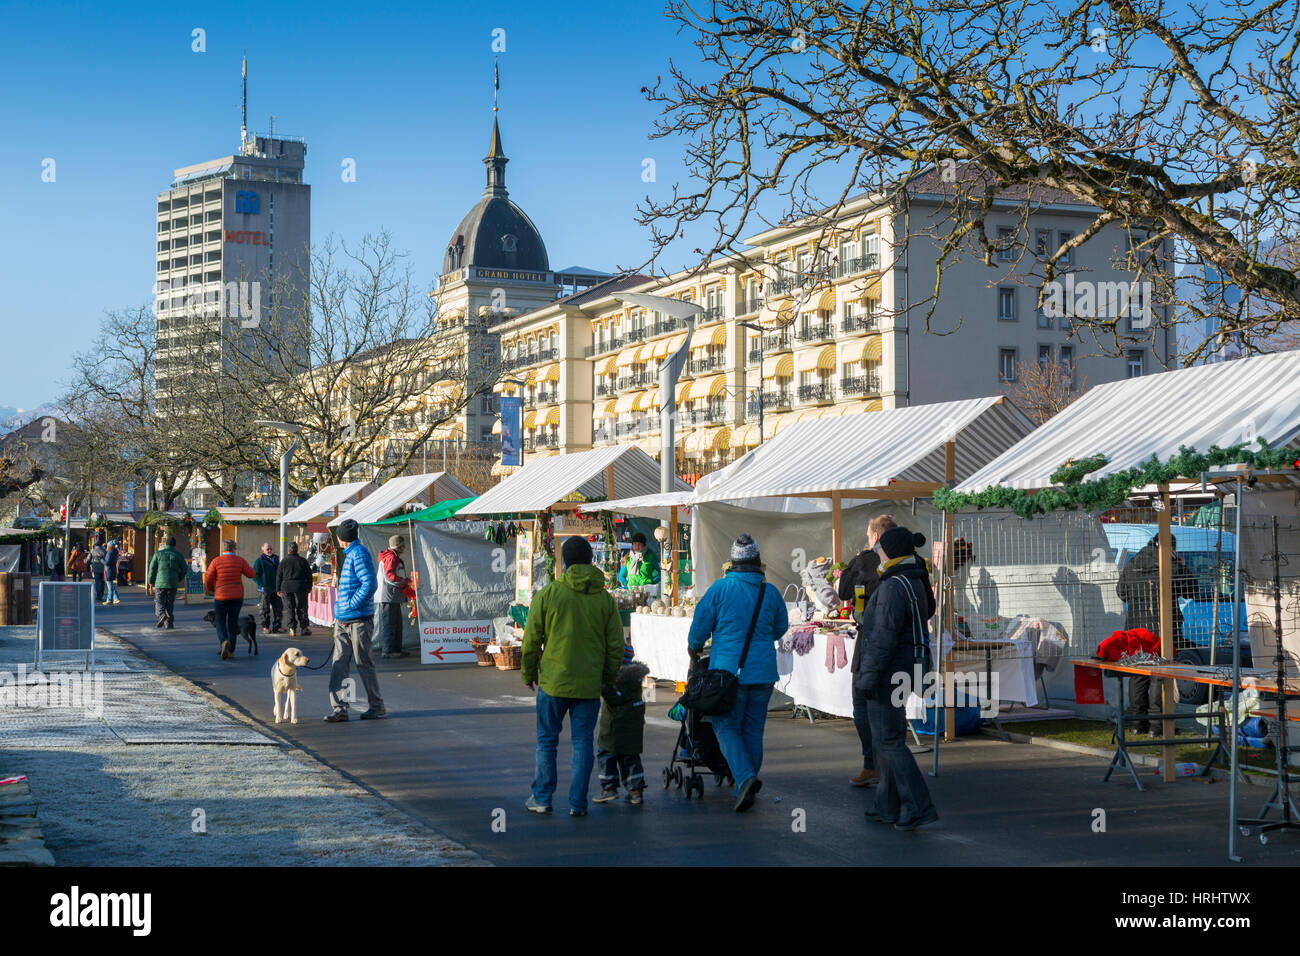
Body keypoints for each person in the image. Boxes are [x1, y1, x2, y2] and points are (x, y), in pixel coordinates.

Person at [521, 535, 624, 817]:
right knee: (582, 744)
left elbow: (531, 640)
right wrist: (607, 677)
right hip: (589, 686)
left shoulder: (549, 594)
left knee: (547, 742)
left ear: (563, 562)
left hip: (553, 682)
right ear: (591, 560)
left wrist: (528, 673)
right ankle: (578, 803)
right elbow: (616, 645)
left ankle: (542, 798)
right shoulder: (604, 599)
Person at [687, 533, 789, 813]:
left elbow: (699, 629)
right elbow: (781, 628)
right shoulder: (770, 592)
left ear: (732, 562)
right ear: (758, 561)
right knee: (753, 730)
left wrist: (694, 648)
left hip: (727, 674)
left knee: (726, 726)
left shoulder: (719, 589)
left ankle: (744, 779)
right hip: (763, 674)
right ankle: (745, 783)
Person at [856, 525, 939, 831]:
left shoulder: (892, 586)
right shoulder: (914, 579)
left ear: (889, 552)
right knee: (884, 739)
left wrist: (866, 678)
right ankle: (887, 804)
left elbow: (882, 639)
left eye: (879, 550)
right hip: (904, 668)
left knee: (889, 741)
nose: (876, 553)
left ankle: (918, 805)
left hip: (888, 671)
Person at [1116, 537, 1201, 735]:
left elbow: (1122, 592)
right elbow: (1192, 590)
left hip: (1135, 629)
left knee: (1138, 674)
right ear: (1171, 548)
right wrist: (1182, 566)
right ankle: (1157, 725)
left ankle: (1138, 723)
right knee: (1159, 675)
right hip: (1162, 628)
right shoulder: (1170, 564)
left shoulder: (1132, 564)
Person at [837, 513, 898, 788]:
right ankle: (882, 766)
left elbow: (842, 591)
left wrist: (853, 563)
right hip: (898, 646)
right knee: (890, 706)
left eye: (868, 536)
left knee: (863, 705)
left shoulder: (865, 560)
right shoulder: (913, 564)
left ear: (874, 537)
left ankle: (876, 765)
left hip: (871, 641)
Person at [325, 519, 385, 722]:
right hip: (345, 619)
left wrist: (351, 604)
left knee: (360, 662)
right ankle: (341, 708)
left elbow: (370, 584)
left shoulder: (358, 554)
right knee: (341, 663)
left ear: (341, 538)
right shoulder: (353, 553)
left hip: (357, 619)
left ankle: (375, 705)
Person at [593, 642, 650, 805]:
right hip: (632, 727)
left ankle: (609, 788)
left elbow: (614, 698)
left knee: (606, 754)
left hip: (613, 726)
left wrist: (602, 686)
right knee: (630, 757)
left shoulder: (616, 680)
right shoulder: (634, 680)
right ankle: (635, 791)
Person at [203, 539, 254, 660]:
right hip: (237, 596)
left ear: (223, 549)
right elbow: (251, 573)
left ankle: (224, 641)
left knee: (220, 621)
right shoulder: (240, 560)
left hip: (221, 596)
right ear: (234, 549)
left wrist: (210, 589)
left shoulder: (216, 561)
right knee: (232, 622)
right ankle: (231, 651)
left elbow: (208, 577)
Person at [375, 535, 414, 658]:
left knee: (396, 623)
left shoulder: (392, 556)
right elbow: (389, 576)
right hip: (389, 596)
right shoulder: (391, 558)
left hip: (393, 595)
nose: (405, 547)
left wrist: (404, 580)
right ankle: (388, 651)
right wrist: (404, 582)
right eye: (403, 545)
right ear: (398, 546)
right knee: (390, 624)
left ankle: (396, 650)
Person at [147, 535, 188, 629]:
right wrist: (179, 578)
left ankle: (161, 615)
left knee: (159, 600)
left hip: (160, 582)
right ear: (175, 545)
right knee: (170, 602)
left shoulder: (158, 554)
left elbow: (152, 568)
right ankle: (169, 623)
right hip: (173, 582)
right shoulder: (178, 555)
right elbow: (184, 568)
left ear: (166, 544)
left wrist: (150, 581)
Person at [276, 541, 314, 637]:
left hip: (286, 587)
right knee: (302, 608)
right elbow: (309, 576)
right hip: (300, 587)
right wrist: (309, 587)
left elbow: (279, 576)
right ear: (297, 550)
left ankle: (292, 628)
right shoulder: (303, 561)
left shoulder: (283, 561)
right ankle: (304, 628)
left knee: (289, 608)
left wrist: (278, 589)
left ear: (288, 550)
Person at [252, 542, 285, 635]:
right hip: (264, 589)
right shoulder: (259, 561)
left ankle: (277, 626)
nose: (270, 550)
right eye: (267, 549)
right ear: (263, 550)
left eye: (270, 548)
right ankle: (265, 626)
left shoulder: (277, 559)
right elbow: (254, 574)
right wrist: (261, 584)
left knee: (278, 608)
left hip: (276, 588)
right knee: (264, 609)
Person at [102, 539, 121, 605]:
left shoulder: (109, 553)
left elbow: (106, 562)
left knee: (110, 586)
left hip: (108, 570)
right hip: (113, 569)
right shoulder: (115, 552)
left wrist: (102, 560)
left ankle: (109, 600)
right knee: (111, 585)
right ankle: (116, 598)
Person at [89, 538, 107, 603]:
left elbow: (89, 559)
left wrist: (88, 567)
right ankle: (101, 595)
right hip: (103, 567)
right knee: (102, 582)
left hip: (95, 567)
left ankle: (98, 596)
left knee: (97, 582)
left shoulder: (93, 551)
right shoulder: (104, 551)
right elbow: (107, 559)